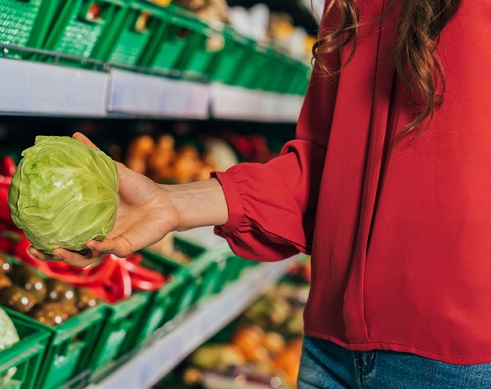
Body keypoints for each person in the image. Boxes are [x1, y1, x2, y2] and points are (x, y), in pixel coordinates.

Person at [30, 0, 491, 386]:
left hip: (461, 362)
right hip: (330, 352)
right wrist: (171, 204)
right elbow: (324, 171)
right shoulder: (351, 5)